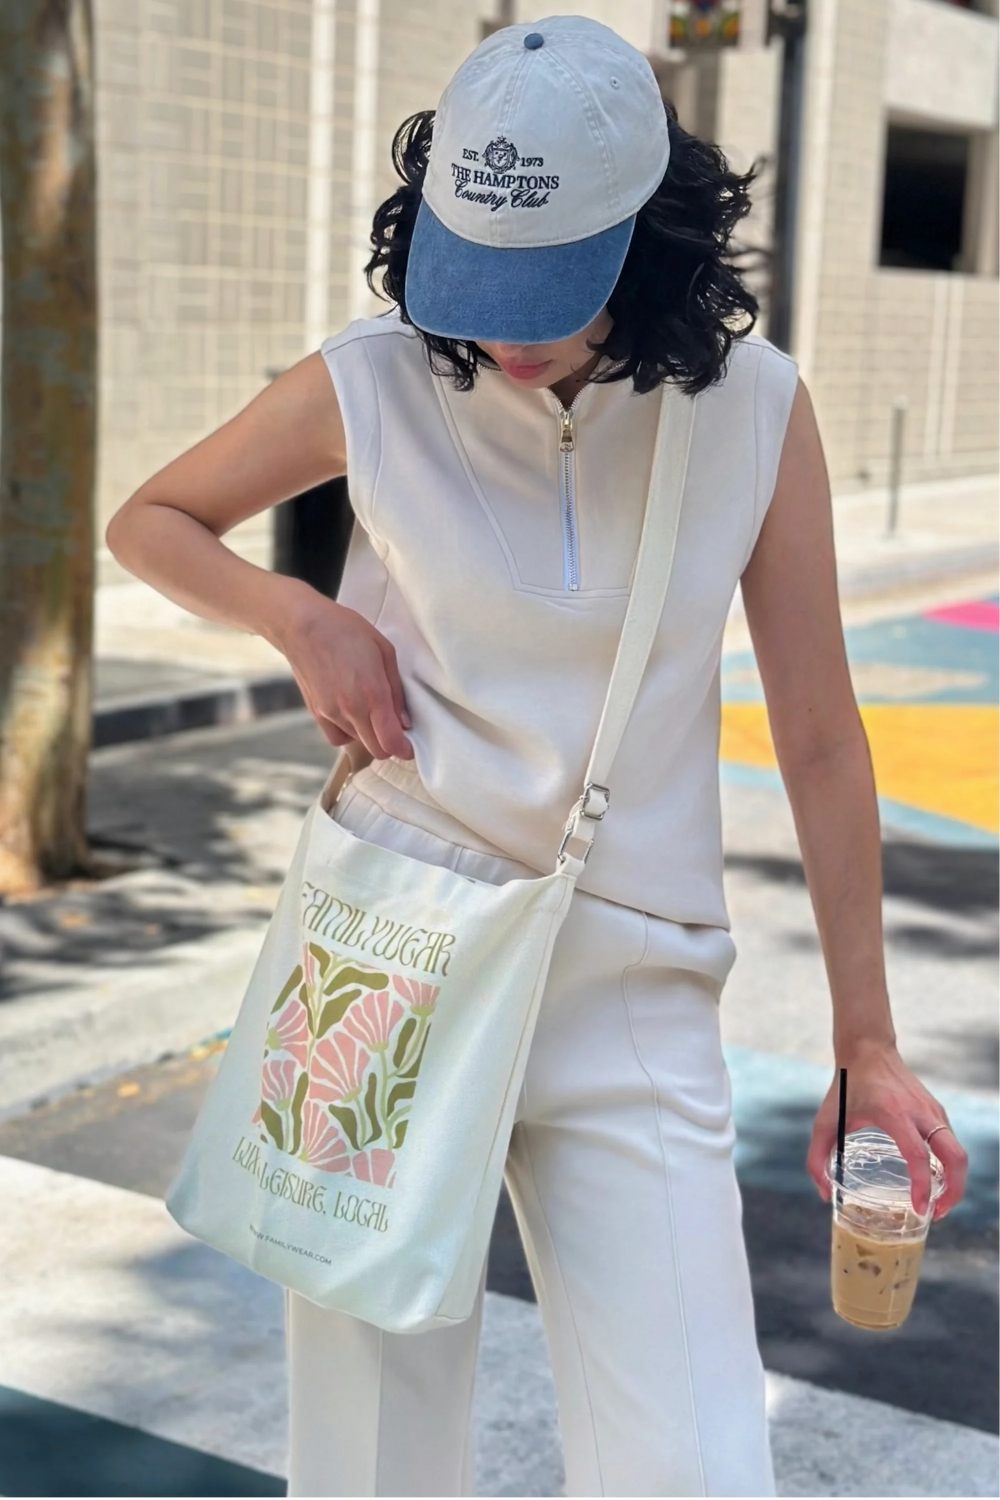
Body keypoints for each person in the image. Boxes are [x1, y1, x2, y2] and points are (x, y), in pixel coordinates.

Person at [107, 16, 968, 1499]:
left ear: (652, 243)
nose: (506, 331)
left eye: (549, 289)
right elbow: (154, 519)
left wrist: (865, 1041)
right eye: (477, 279)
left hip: (633, 989)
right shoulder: (375, 379)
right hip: (388, 960)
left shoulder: (758, 411)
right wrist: (297, 616)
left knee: (694, 1471)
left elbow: (824, 737)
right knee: (372, 1470)